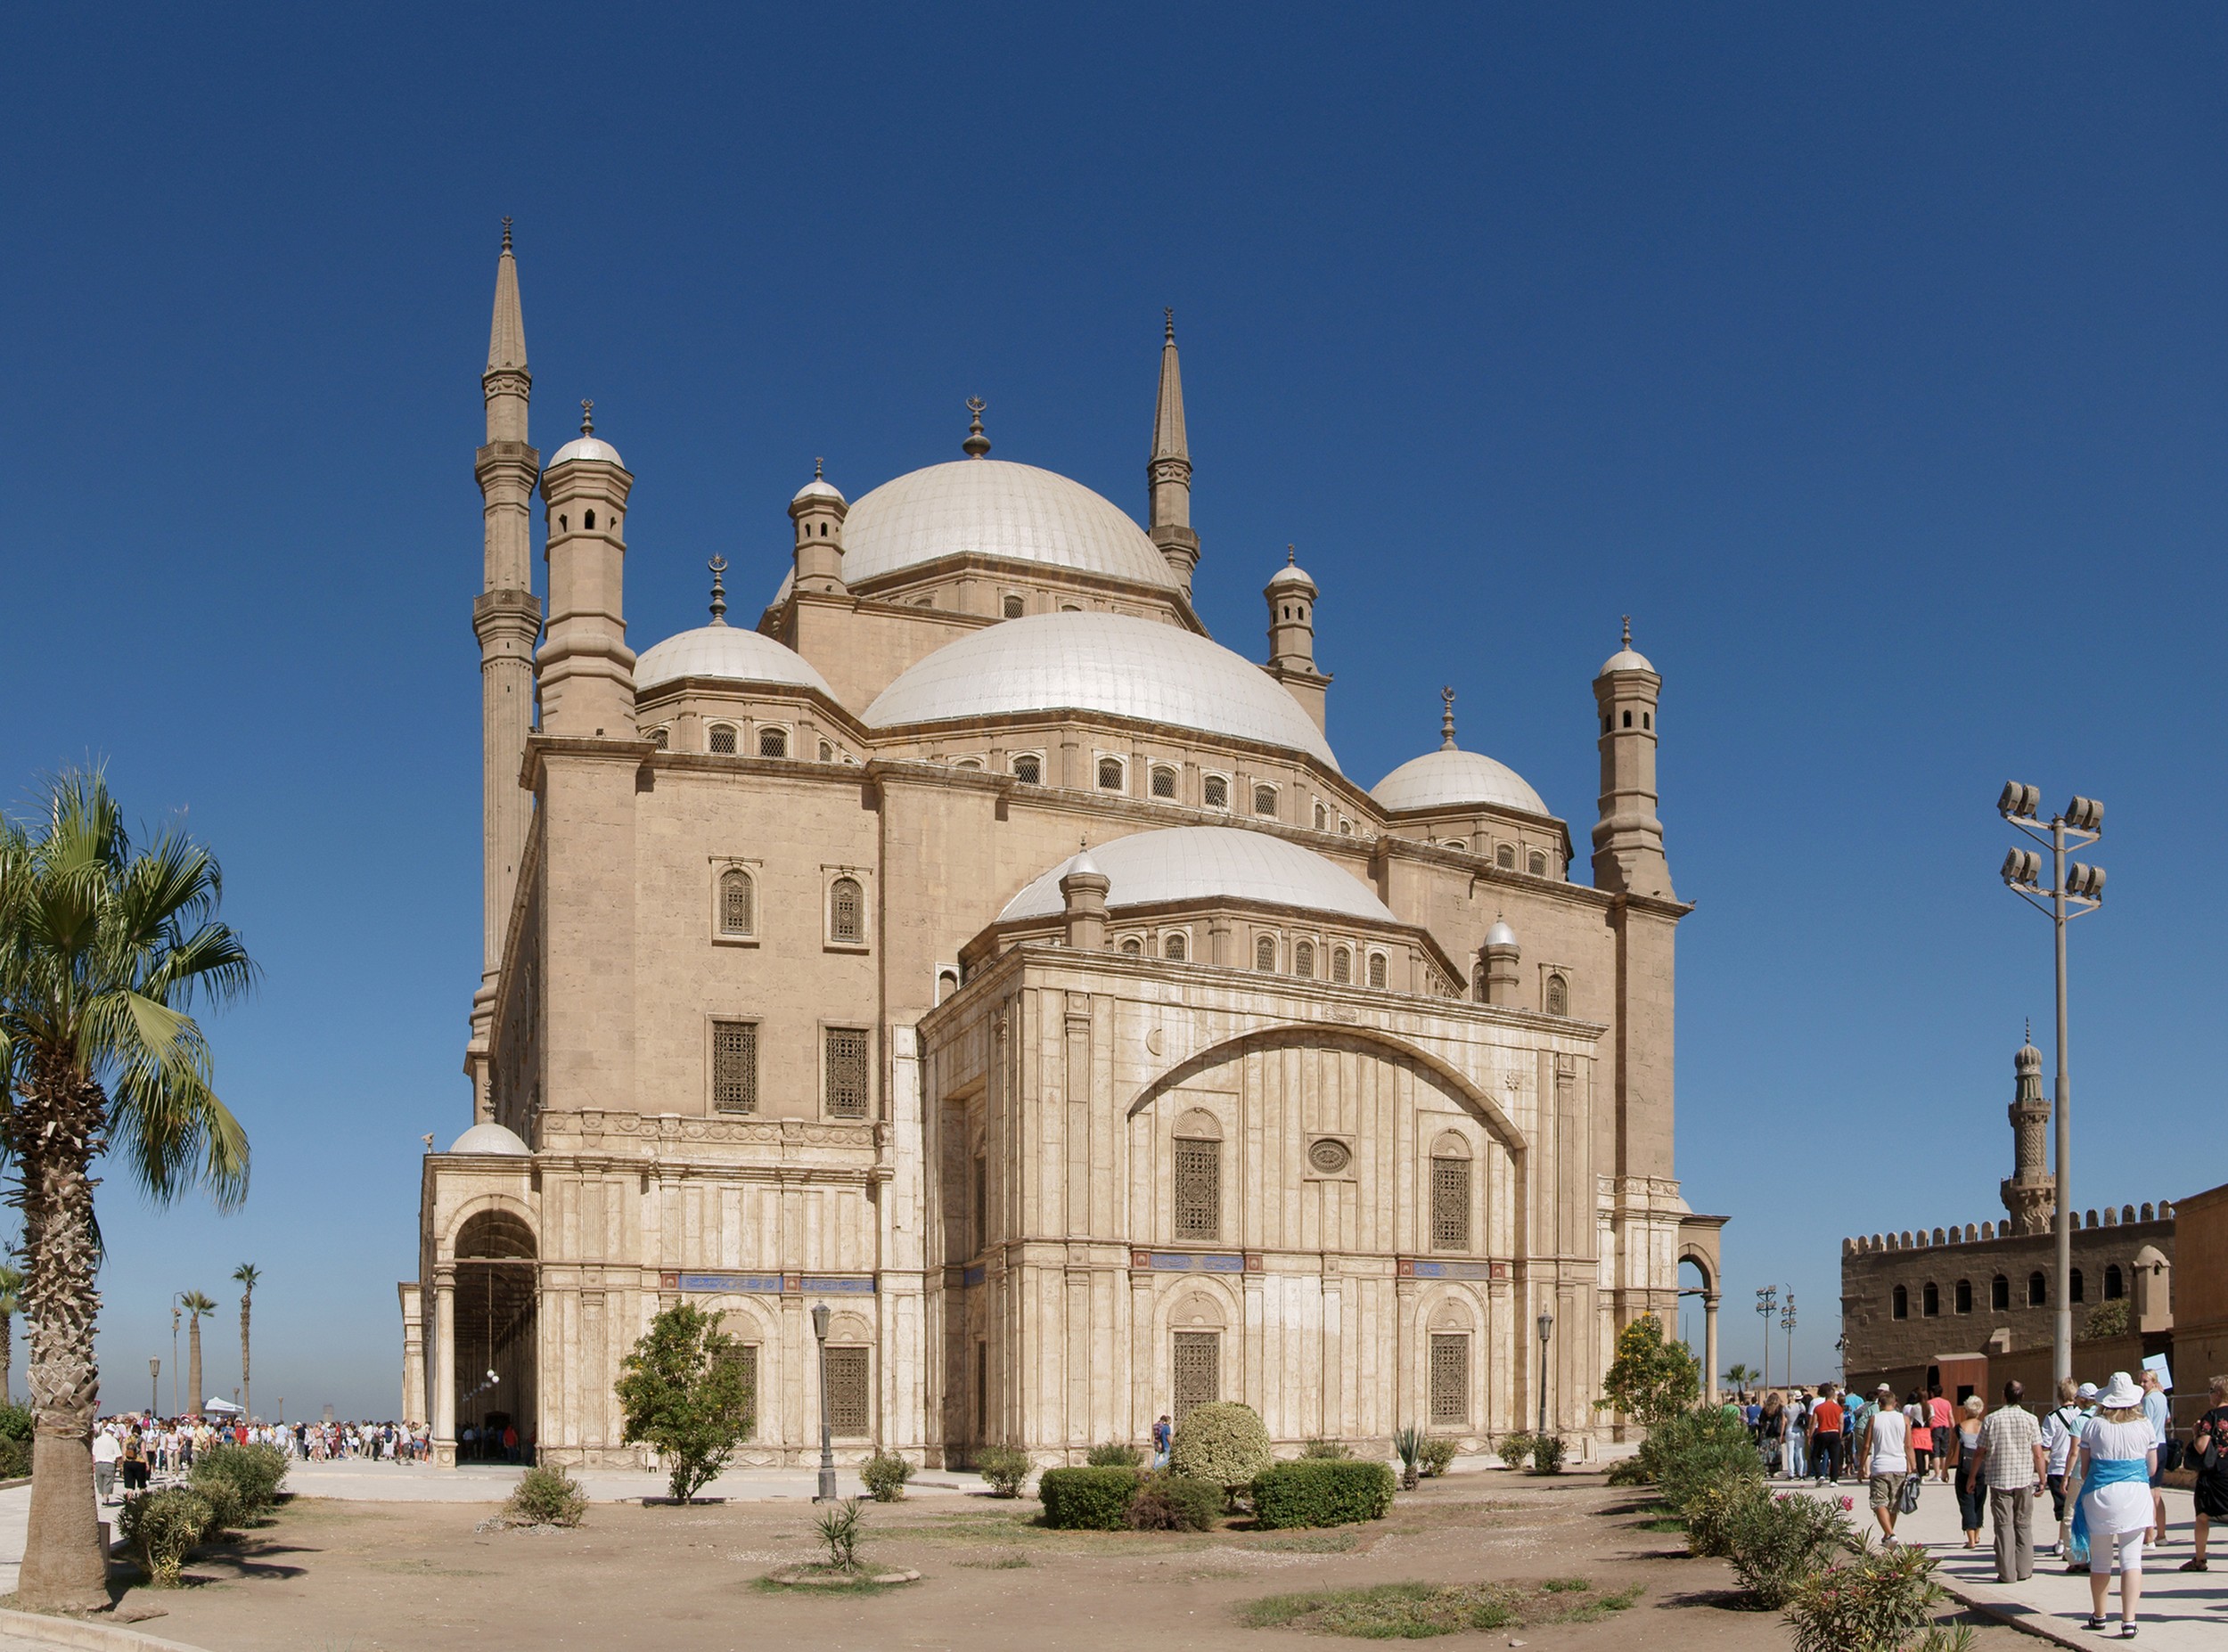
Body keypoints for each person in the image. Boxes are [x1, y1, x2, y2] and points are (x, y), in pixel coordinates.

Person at [2078, 1371, 2158, 1638]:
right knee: (2131, 1559)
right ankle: (2129, 1620)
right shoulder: (2145, 1425)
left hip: (2100, 1494)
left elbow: (2085, 1469)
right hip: (2135, 1494)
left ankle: (2099, 1615)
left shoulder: (2093, 1425)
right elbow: (2152, 1467)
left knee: (2100, 1560)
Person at [1966, 1378, 2045, 1583]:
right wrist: (2042, 1479)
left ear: (2003, 1395)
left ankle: (2007, 1573)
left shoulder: (1992, 1420)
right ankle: (2025, 1569)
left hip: (2000, 1479)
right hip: (2024, 1479)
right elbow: (2038, 1454)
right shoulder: (2031, 1419)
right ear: (2022, 1397)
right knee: (2024, 1524)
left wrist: (1972, 1477)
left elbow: (1979, 1452)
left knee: (2003, 1526)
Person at [2184, 1374, 2228, 1573]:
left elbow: (2202, 1447)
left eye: (2211, 1391)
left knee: (2203, 1516)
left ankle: (2200, 1559)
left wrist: (2195, 1433)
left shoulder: (2212, 1416)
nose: (2209, 1395)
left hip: (2215, 1474)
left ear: (2218, 1394)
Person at [2039, 1378, 2085, 1557]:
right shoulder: (2083, 1415)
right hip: (2079, 1466)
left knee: (2064, 1509)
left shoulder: (2052, 1417)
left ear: (2059, 1396)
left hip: (2058, 1466)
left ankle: (2062, 1541)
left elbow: (2045, 1444)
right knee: (2077, 1506)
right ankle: (2074, 1540)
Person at [1861, 1382, 1911, 1542]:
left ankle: (1889, 1534)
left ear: (1879, 1404)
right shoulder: (1904, 1419)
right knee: (1894, 1504)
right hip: (1899, 1465)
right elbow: (1909, 1445)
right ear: (1895, 1403)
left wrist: (1862, 1466)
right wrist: (1913, 1466)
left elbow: (1867, 1445)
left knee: (1878, 1501)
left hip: (1880, 1465)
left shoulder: (1874, 1419)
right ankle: (1889, 1534)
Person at [2140, 1367, 2171, 1546]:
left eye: (2145, 1381)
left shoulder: (2149, 1399)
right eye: (2141, 1381)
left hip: (2152, 1447)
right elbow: (2167, 1418)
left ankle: (2149, 1536)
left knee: (2150, 1493)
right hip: (2163, 1444)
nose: (2143, 1384)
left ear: (2153, 1381)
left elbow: (2147, 1425)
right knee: (2157, 1492)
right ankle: (2162, 1534)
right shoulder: (2162, 1397)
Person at [1954, 1394, 1988, 1548]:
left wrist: (1944, 1469)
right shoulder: (1984, 1427)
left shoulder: (1960, 1427)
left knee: (1966, 1501)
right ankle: (1978, 1534)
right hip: (1983, 1467)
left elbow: (1951, 1450)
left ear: (1966, 1409)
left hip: (1965, 1468)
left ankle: (1971, 1539)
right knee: (1979, 1501)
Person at [1810, 1385, 1844, 1484]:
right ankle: (1833, 1480)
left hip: (1822, 1433)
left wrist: (1811, 1435)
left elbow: (1814, 1423)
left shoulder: (1818, 1408)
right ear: (1833, 1396)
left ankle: (1819, 1474)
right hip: (1834, 1433)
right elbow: (1841, 1422)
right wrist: (1840, 1434)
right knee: (1834, 1458)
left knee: (1815, 1456)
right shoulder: (1838, 1408)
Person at [1929, 1385, 1956, 1483]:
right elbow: (1951, 1416)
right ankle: (1944, 1472)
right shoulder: (1946, 1403)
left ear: (1932, 1393)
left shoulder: (1929, 1403)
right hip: (1945, 1427)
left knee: (1935, 1452)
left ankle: (1937, 1474)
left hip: (1935, 1428)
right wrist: (1953, 1428)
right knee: (1944, 1452)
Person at [1904, 1387, 1933, 1480]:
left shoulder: (1915, 1407)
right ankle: (1925, 1470)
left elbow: (1910, 1418)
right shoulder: (1930, 1407)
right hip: (1926, 1431)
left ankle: (1919, 1473)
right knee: (1925, 1452)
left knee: (1918, 1453)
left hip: (1916, 1431)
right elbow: (1932, 1419)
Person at [1783, 1386, 1808, 1480]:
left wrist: (1782, 1433)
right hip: (1800, 1431)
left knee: (1790, 1453)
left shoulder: (1786, 1408)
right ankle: (1801, 1473)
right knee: (1800, 1452)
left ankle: (1791, 1474)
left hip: (1790, 1430)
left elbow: (1783, 1422)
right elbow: (1805, 1417)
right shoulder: (1801, 1406)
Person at [92, 1427, 119, 1504]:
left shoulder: (98, 1439)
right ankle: (105, 1497)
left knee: (100, 1482)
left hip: (98, 1463)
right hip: (109, 1463)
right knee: (108, 1481)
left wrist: (94, 1464)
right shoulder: (113, 1440)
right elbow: (118, 1454)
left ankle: (104, 1497)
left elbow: (94, 1453)